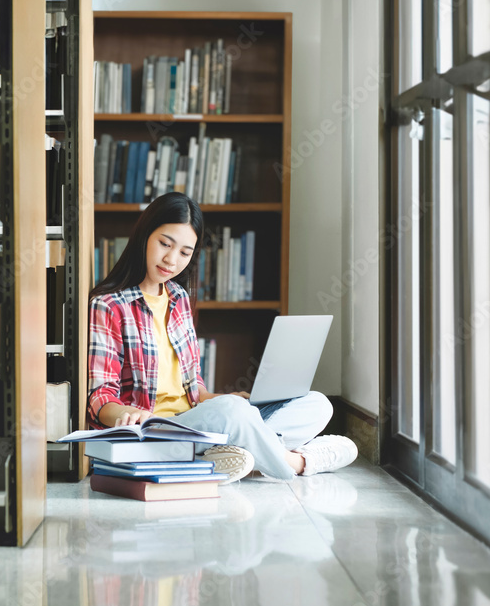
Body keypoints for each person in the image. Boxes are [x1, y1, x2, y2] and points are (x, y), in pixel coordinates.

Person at [87, 192, 357, 483]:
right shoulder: (109, 305)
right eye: (165, 243)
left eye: (184, 252)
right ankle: (296, 462)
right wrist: (128, 414)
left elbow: (194, 390)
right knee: (235, 413)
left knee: (316, 403)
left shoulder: (178, 298)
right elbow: (100, 397)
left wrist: (221, 399)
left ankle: (239, 451)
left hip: (198, 424)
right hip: (157, 431)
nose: (171, 259)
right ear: (144, 235)